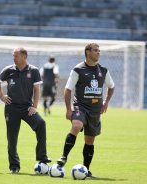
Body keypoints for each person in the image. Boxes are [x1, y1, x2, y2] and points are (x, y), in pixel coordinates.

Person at [56, 43, 115, 177]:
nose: (98, 52)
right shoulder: (78, 69)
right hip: (80, 107)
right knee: (76, 125)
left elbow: (111, 86)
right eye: (95, 50)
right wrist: (68, 110)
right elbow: (67, 90)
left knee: (90, 141)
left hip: (95, 111)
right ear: (88, 52)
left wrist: (106, 102)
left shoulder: (103, 70)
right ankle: (64, 157)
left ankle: (86, 170)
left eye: (99, 50)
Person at [0, 47, 51, 173]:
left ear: (24, 56)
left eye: (16, 56)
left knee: (41, 123)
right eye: (13, 55)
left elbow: (37, 90)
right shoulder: (8, 70)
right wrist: (2, 96)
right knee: (12, 138)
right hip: (11, 108)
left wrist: (34, 106)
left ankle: (42, 157)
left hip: (27, 108)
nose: (13, 58)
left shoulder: (34, 70)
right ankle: (14, 166)